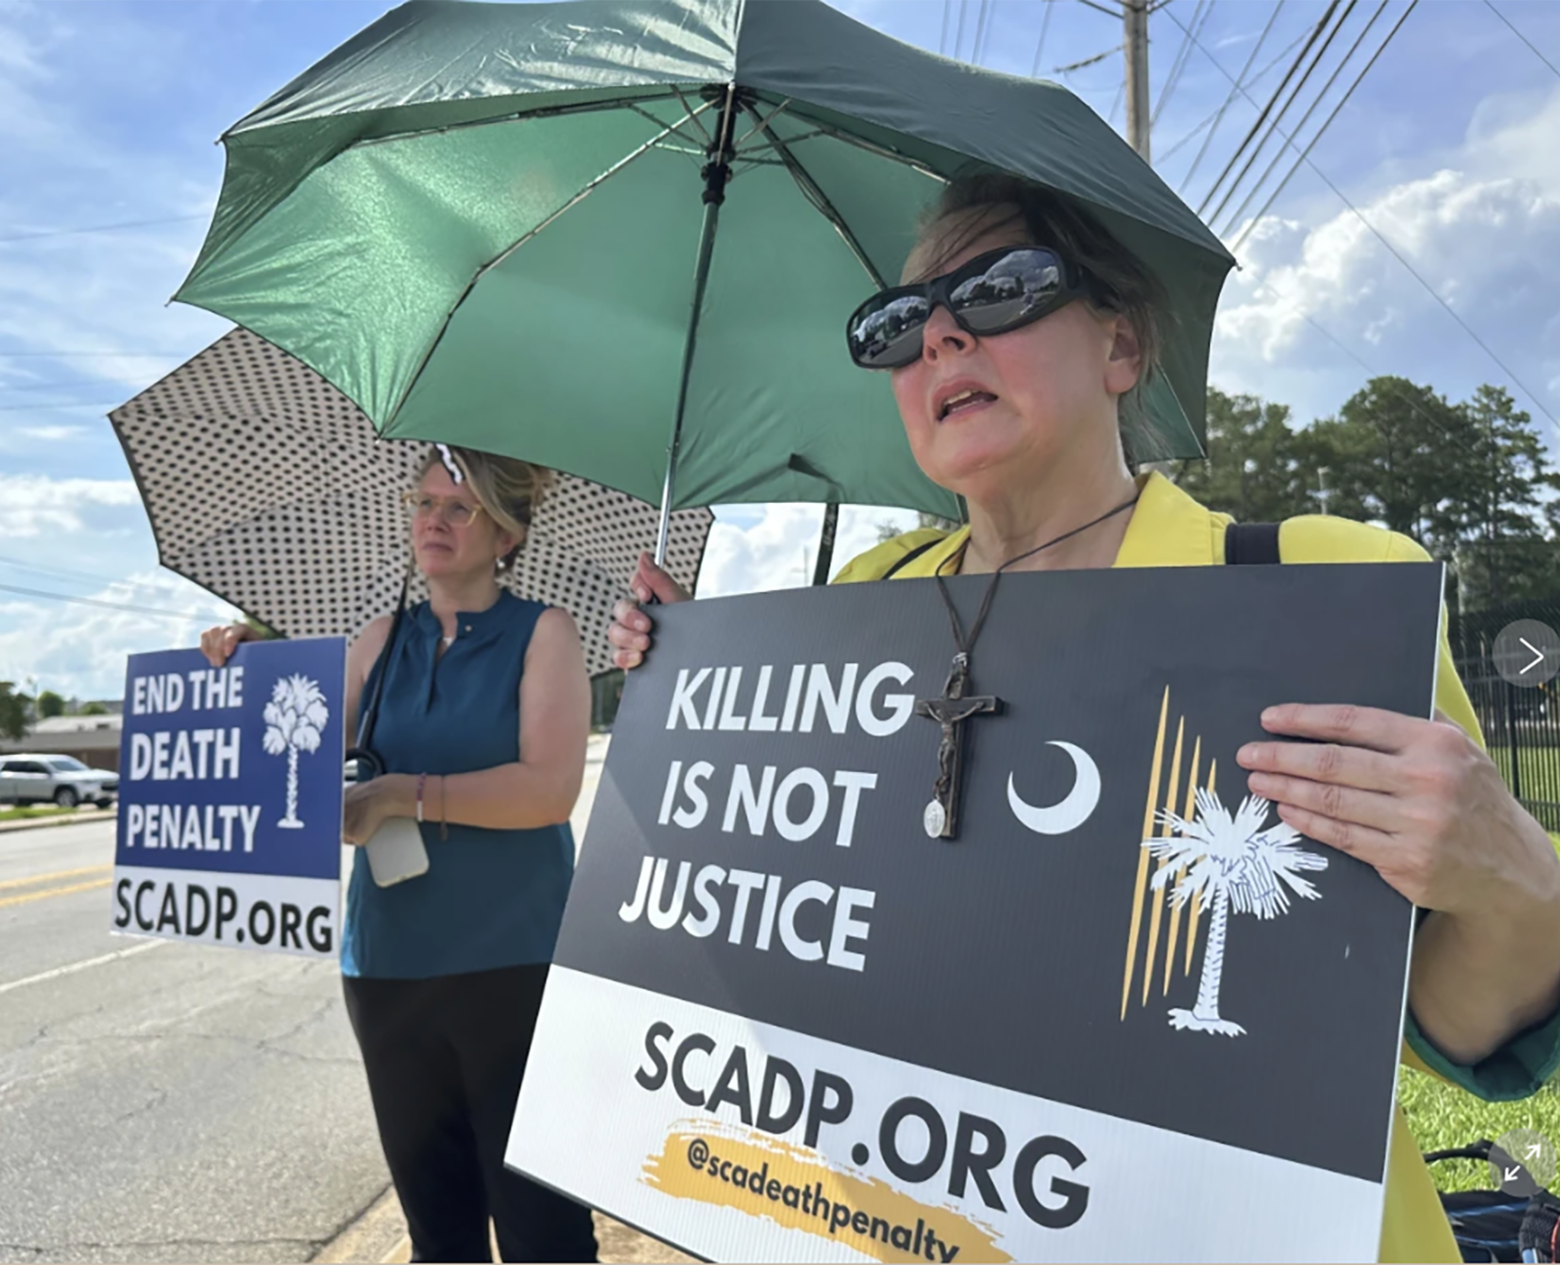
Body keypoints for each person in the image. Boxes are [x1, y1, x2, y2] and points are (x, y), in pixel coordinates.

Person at [608, 173, 1560, 1261]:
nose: (941, 337)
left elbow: (1450, 1023)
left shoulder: (1328, 590)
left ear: (1122, 348)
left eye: (1001, 288)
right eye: (901, 323)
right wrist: (689, 689)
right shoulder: (863, 603)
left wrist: (1516, 881)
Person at [201, 445, 598, 1264]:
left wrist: (401, 794)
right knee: (438, 1237)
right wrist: (246, 674)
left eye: (461, 508)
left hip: (512, 965)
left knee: (543, 1234)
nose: (434, 522)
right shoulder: (376, 639)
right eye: (423, 504)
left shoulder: (543, 632)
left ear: (508, 532)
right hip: (387, 968)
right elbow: (296, 763)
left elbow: (548, 789)